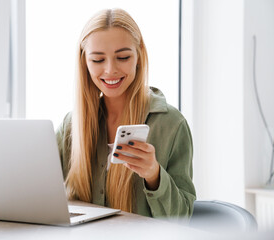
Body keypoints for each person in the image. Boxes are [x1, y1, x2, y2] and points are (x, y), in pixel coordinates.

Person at [56, 8, 196, 218]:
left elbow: (182, 219)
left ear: (139, 55)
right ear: (84, 62)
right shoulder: (71, 125)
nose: (110, 70)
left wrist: (154, 175)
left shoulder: (171, 125)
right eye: (98, 60)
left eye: (122, 57)